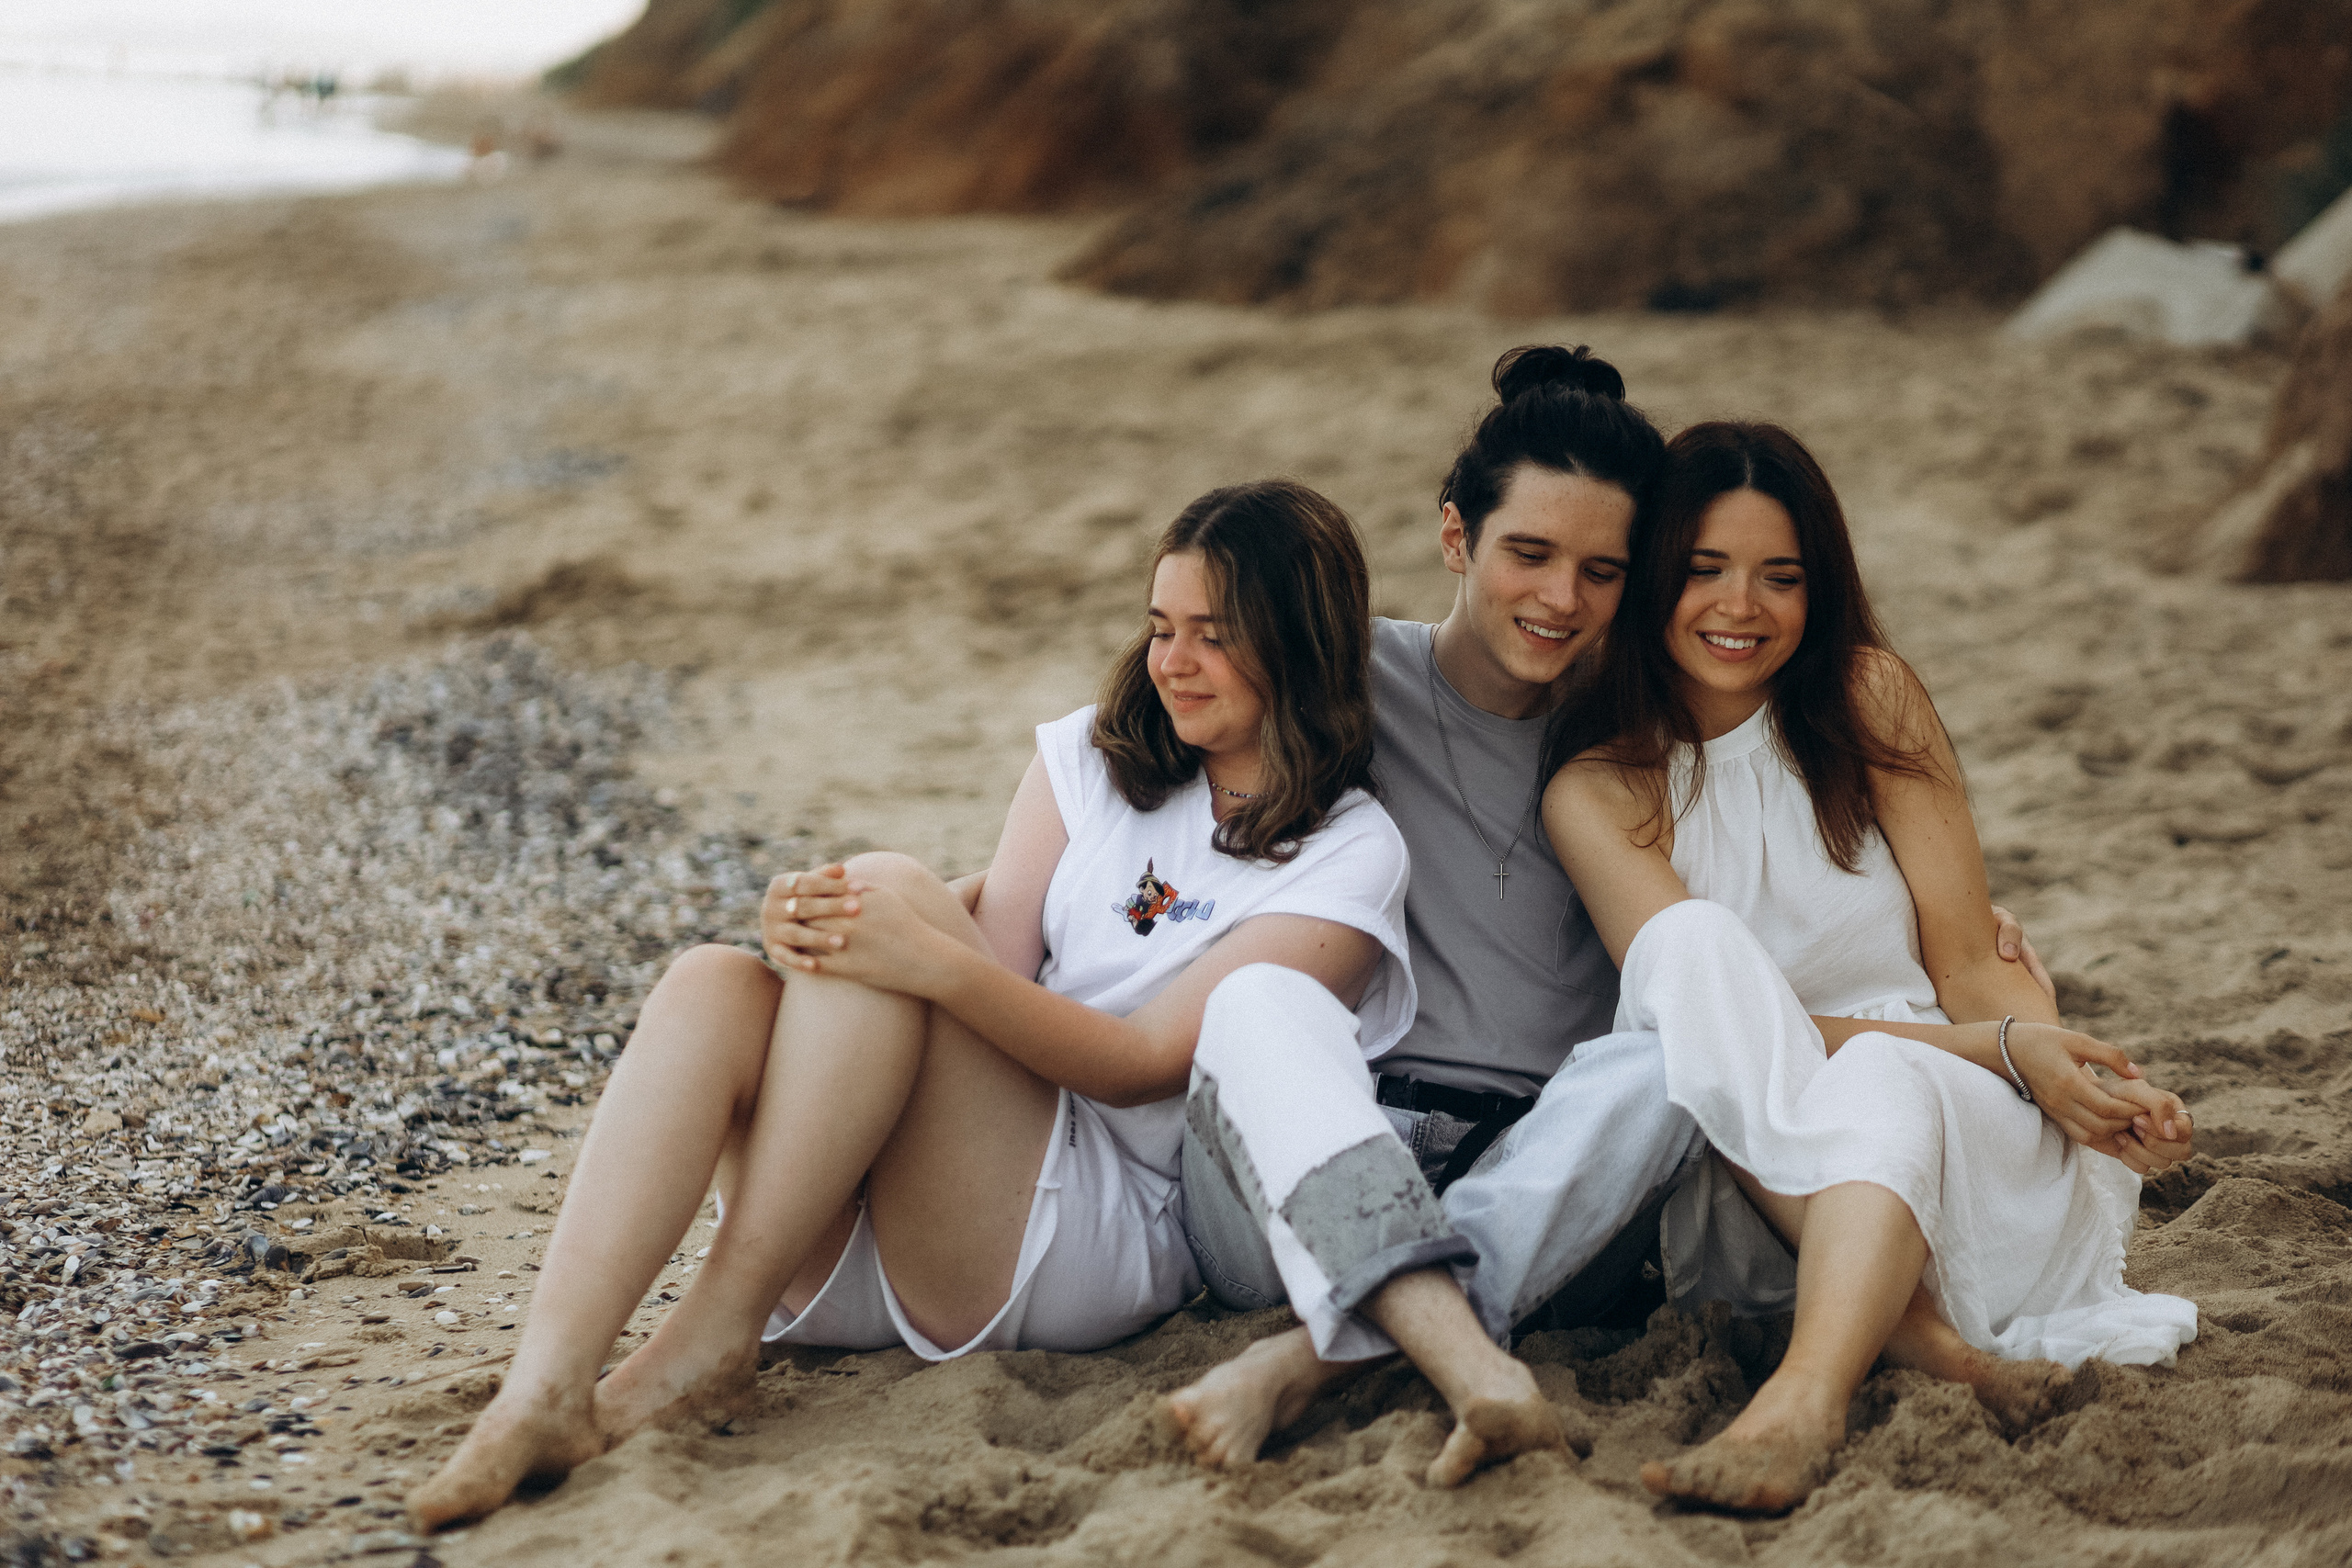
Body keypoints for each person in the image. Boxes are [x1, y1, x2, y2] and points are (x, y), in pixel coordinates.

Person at [407, 479, 1417, 1529]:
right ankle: (544, 1391)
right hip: (856, 1227)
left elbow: (1142, 1059)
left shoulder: (1349, 854)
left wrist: (919, 954)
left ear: (1297, 643)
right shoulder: (1094, 759)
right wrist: (810, 928)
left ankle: (711, 1330)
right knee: (714, 977)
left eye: (1213, 635)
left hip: (1079, 1228)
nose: (1171, 662)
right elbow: (992, 954)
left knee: (888, 890)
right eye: (1161, 628)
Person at [1161, 348, 2057, 1483]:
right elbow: (1138, 765)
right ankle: (1372, 1340)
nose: (1558, 598)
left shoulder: (1641, 742)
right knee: (1263, 1001)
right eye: (1528, 554)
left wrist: (1961, 916)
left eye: (1601, 570)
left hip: (1553, 1187)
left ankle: (1305, 1363)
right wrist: (973, 902)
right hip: (1317, 1172)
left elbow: (1739, 937)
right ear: (1455, 539)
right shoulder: (1345, 677)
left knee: (1665, 1061)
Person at [1541, 421, 2198, 1513]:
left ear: (1820, 588)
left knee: (1880, 1078)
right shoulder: (1598, 791)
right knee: (1705, 971)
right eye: (1702, 570)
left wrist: (2071, 1069)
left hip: (1962, 1125)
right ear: (1653, 575)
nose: (1738, 608)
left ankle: (1806, 1397)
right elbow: (1722, 1035)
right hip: (1757, 1171)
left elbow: (1966, 957)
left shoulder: (1868, 697)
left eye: (1779, 578)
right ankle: (1922, 1351)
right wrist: (2003, 1045)